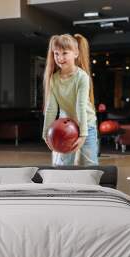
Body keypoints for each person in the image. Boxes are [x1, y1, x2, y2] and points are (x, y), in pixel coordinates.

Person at [42, 34, 98, 166]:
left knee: (89, 164)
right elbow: (51, 108)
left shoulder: (82, 77)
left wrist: (83, 135)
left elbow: (80, 106)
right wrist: (46, 134)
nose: (60, 58)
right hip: (65, 127)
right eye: (56, 53)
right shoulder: (54, 79)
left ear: (76, 53)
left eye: (64, 53)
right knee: (62, 164)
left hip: (86, 124)